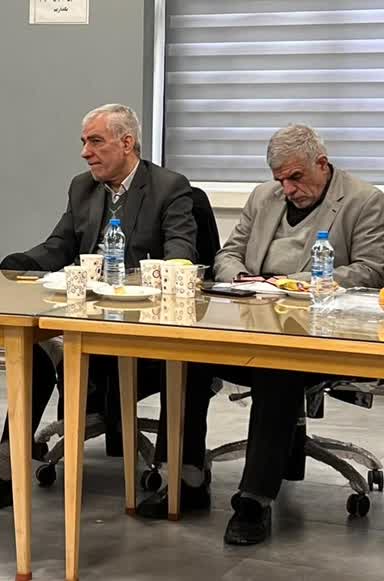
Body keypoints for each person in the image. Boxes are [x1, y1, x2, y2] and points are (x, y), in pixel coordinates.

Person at [0, 103, 206, 514]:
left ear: (127, 143)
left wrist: (142, 281)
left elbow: (180, 252)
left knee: (186, 362)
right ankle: (5, 469)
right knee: (30, 348)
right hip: (83, 320)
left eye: (96, 141)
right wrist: (21, 264)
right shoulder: (82, 187)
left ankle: (178, 476)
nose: (86, 152)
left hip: (142, 329)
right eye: (84, 142)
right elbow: (61, 245)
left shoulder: (169, 187)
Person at [136, 124, 384, 545]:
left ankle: (254, 500)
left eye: (295, 177)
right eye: (279, 179)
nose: (287, 189)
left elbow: (371, 269)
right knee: (187, 356)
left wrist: (295, 284)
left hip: (316, 333)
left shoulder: (364, 200)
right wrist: (242, 278)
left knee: (277, 366)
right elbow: (228, 253)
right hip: (251, 318)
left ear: (321, 164)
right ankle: (185, 477)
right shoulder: (262, 197)